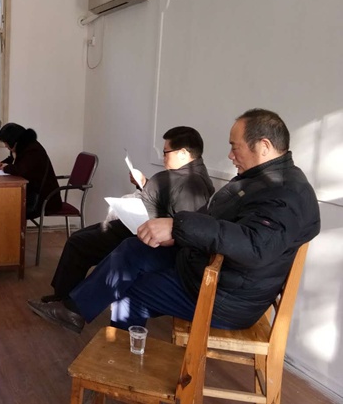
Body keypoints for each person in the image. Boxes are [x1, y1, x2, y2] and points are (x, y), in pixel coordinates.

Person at [28, 109, 320, 333]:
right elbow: (220, 221)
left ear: (264, 146)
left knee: (130, 288)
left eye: (236, 147)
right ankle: (74, 310)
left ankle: (120, 369)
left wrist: (177, 226)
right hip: (207, 269)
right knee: (133, 248)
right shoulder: (259, 180)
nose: (230, 155)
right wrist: (177, 233)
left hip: (224, 295)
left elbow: (254, 246)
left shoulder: (286, 193)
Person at [38, 126, 214, 304]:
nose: (163, 157)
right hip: (135, 226)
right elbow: (165, 200)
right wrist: (143, 183)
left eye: (165, 152)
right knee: (79, 238)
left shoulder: (192, 185)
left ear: (183, 153)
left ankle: (66, 301)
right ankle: (65, 296)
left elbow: (186, 227)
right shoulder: (183, 175)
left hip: (143, 237)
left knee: (79, 243)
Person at [0, 123, 62, 219]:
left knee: (5, 207)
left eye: (5, 142)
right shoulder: (22, 146)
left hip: (42, 199)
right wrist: (1, 163)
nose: (5, 146)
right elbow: (13, 159)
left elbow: (21, 170)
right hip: (30, 193)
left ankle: (12, 228)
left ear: (13, 140)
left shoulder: (33, 150)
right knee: (3, 203)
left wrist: (5, 168)